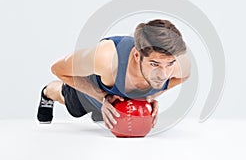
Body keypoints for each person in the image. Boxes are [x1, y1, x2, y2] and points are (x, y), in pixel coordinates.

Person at [37, 19, 191, 129]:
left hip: (117, 101)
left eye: (169, 64)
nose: (163, 74)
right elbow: (57, 69)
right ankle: (48, 92)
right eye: (154, 64)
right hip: (92, 90)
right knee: (68, 100)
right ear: (137, 55)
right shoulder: (106, 57)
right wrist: (101, 97)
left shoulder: (179, 66)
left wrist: (150, 95)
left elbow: (183, 77)